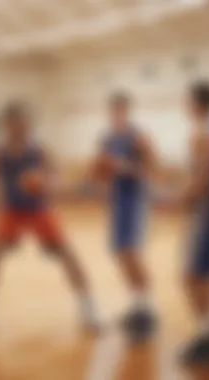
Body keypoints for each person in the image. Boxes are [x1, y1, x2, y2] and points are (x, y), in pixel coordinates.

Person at [0, 103, 100, 334]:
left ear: (29, 125)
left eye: (24, 123)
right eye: (15, 123)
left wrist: (44, 183)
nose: (21, 127)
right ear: (7, 125)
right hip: (12, 210)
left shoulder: (39, 151)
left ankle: (88, 309)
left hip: (39, 209)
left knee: (69, 255)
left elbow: (56, 177)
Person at [90, 92, 157, 343]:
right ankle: (137, 305)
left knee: (131, 253)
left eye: (120, 109)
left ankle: (148, 312)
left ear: (127, 110)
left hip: (135, 202)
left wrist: (122, 166)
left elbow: (151, 169)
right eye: (112, 109)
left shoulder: (138, 137)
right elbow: (100, 173)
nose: (116, 113)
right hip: (117, 202)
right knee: (120, 253)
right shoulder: (107, 139)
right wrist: (99, 171)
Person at [176, 81, 209, 365]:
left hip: (207, 215)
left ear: (198, 103)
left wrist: (175, 201)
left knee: (191, 276)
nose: (185, 105)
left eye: (188, 100)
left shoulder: (203, 135)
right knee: (205, 276)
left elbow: (202, 183)